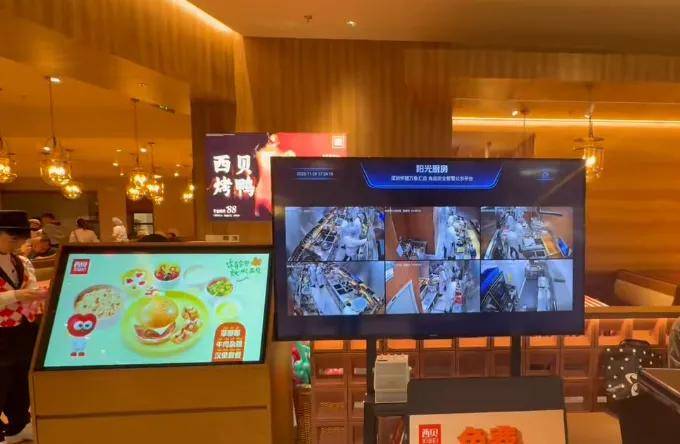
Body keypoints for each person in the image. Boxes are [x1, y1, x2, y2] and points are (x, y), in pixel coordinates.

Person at [0, 211, 49, 444]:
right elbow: (18, 294)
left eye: (21, 238)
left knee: (21, 381)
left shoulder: (22, 261)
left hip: (24, 330)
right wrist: (17, 295)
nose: (18, 243)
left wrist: (40, 295)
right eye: (13, 238)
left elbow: (32, 290)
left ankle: (18, 426)